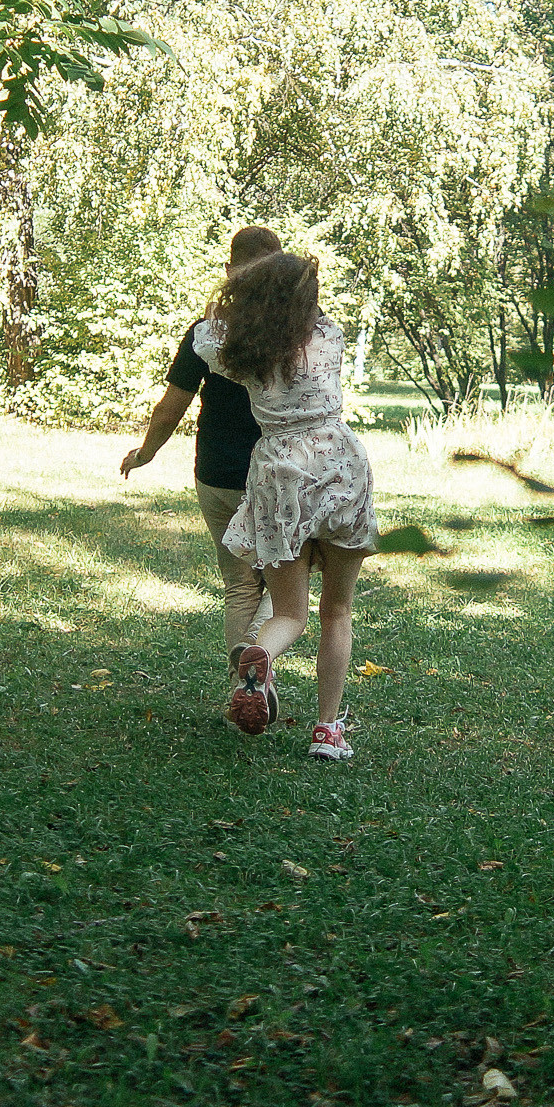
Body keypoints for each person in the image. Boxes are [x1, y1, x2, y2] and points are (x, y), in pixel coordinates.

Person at [191, 250, 376, 760]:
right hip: (337, 463)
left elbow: (204, 337)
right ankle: (327, 733)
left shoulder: (245, 354)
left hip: (278, 472)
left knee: (290, 612)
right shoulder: (329, 338)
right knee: (337, 611)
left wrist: (236, 302)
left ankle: (260, 654)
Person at [122, 226, 281, 725]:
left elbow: (173, 404)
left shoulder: (207, 332)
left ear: (230, 272)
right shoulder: (297, 332)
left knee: (238, 584)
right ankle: (262, 663)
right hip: (280, 474)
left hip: (216, 473)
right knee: (286, 580)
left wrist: (146, 452)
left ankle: (246, 683)